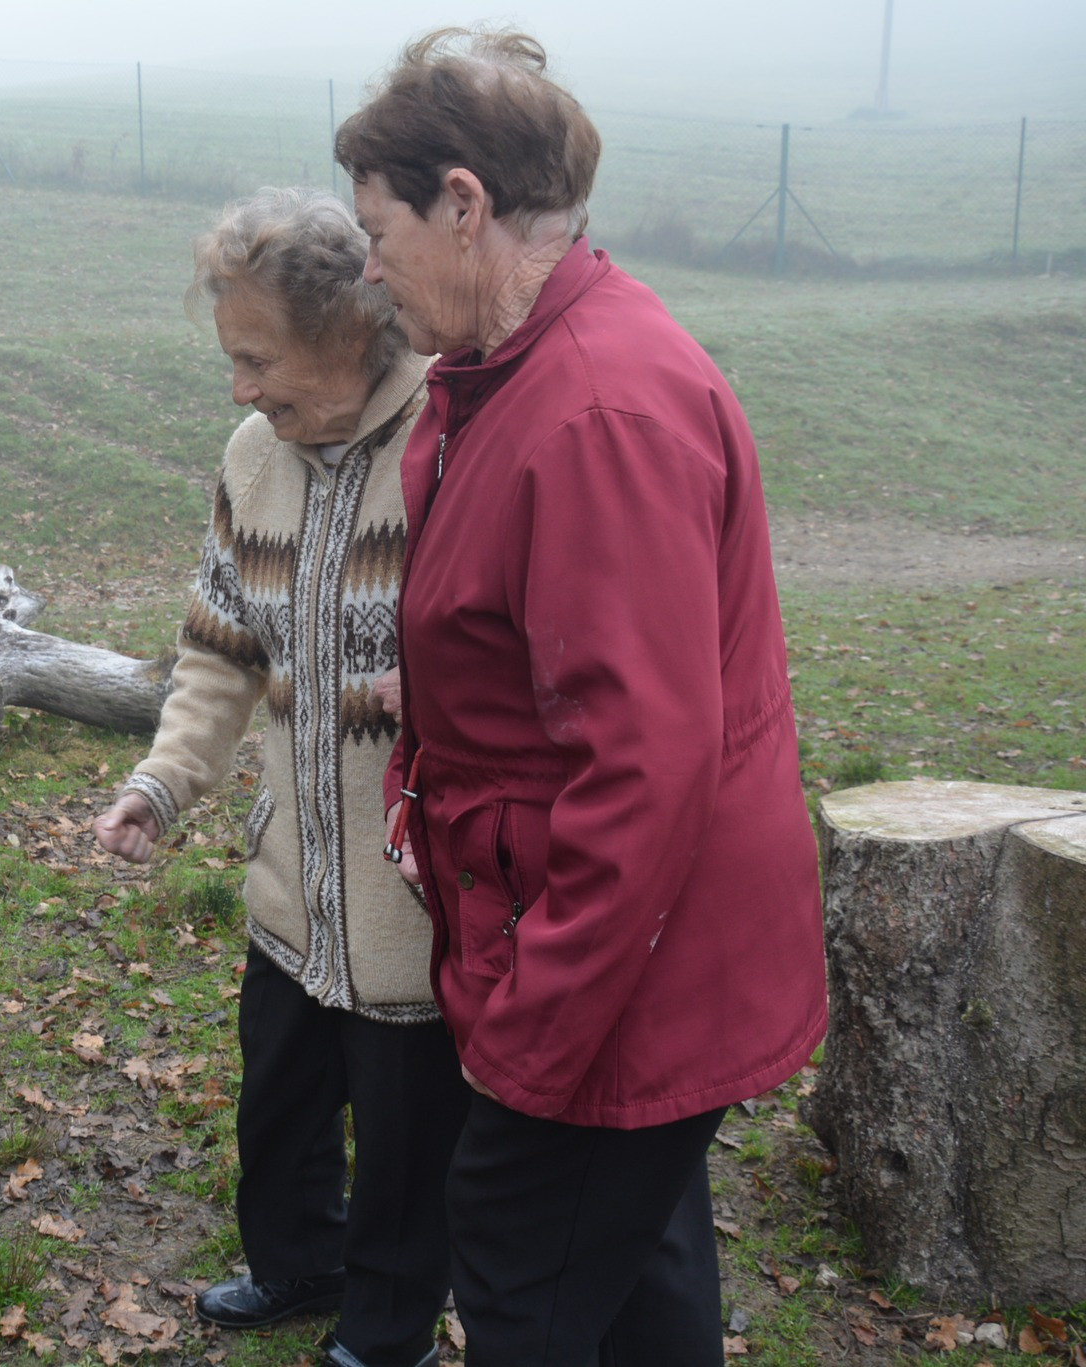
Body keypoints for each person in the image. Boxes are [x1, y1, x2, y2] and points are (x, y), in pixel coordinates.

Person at [336, 28, 828, 1366]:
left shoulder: (593, 411)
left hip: (617, 964)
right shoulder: (521, 371)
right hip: (617, 952)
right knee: (638, 1259)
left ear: (464, 203)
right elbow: (553, 641)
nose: (368, 261)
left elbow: (646, 767)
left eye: (378, 226)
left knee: (520, 1262)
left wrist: (534, 1037)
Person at [93, 187, 467, 1367]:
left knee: (407, 1147)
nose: (241, 387)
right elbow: (217, 649)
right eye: (231, 358)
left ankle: (388, 1327)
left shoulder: (453, 446)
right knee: (281, 1112)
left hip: (415, 906)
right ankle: (296, 1261)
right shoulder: (252, 461)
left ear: (349, 330)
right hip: (288, 886)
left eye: (258, 357)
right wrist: (162, 783)